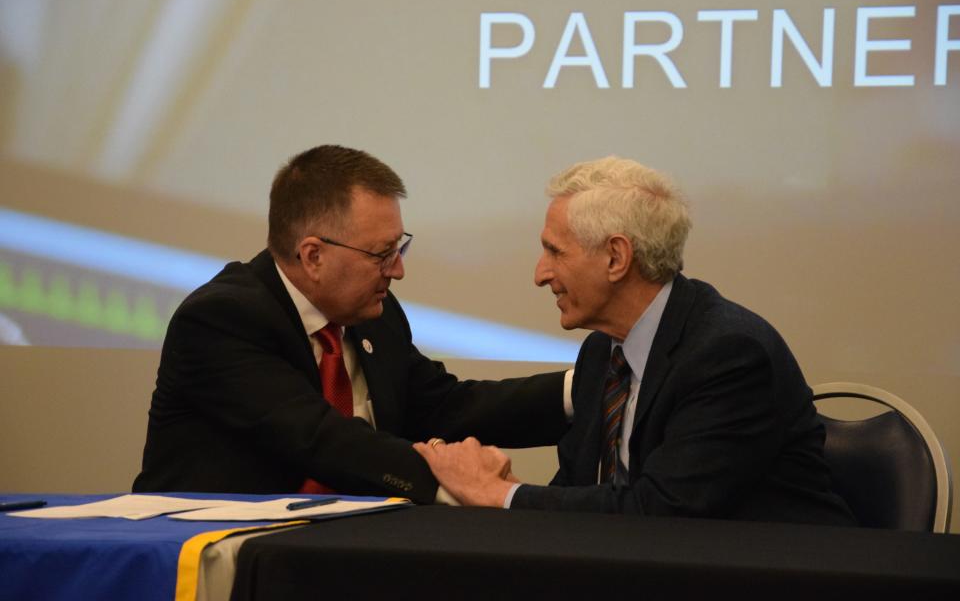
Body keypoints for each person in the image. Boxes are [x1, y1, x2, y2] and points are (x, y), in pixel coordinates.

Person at [415, 156, 856, 525]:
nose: (540, 274)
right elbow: (578, 491)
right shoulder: (602, 351)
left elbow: (663, 513)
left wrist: (498, 494)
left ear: (616, 257)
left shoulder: (728, 355)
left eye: (555, 251)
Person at [132, 145, 569, 503]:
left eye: (400, 248)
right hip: (220, 559)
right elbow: (320, 439)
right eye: (381, 254)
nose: (396, 270)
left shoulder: (373, 314)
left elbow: (443, 407)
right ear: (313, 256)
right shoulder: (221, 320)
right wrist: (461, 481)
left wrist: (581, 389)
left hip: (347, 550)